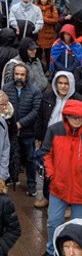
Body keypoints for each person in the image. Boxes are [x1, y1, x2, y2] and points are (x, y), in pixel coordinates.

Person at [42, 99, 82, 255]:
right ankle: (51, 250)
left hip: (80, 191)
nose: (77, 120)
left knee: (77, 227)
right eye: (73, 117)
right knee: (53, 222)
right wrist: (51, 175)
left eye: (80, 117)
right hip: (58, 187)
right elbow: (46, 153)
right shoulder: (54, 130)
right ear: (66, 116)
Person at [36, 71, 81, 209]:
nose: (63, 86)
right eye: (60, 83)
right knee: (48, 170)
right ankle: (46, 196)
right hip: (50, 138)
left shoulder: (78, 99)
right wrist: (39, 137)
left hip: (70, 140)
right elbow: (41, 117)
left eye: (66, 83)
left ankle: (67, 204)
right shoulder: (48, 96)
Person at [2, 63, 42, 196]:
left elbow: (35, 111)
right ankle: (12, 178)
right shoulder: (6, 88)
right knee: (11, 155)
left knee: (30, 158)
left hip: (28, 131)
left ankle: (31, 184)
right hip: (11, 130)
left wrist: (21, 124)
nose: (19, 77)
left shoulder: (34, 91)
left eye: (22, 74)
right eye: (17, 74)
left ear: (27, 75)